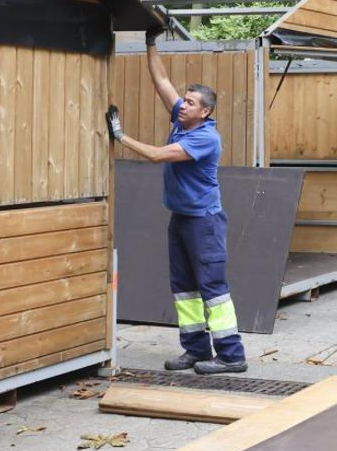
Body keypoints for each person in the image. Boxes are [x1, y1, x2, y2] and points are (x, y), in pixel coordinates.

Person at [104, 25, 247, 374]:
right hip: (182, 218)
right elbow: (162, 81)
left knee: (212, 288)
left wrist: (121, 136)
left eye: (192, 103)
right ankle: (196, 349)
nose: (184, 104)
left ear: (206, 113)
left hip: (205, 222)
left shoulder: (205, 139)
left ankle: (231, 355)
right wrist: (151, 42)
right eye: (185, 99)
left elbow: (156, 155)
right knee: (184, 289)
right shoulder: (184, 120)